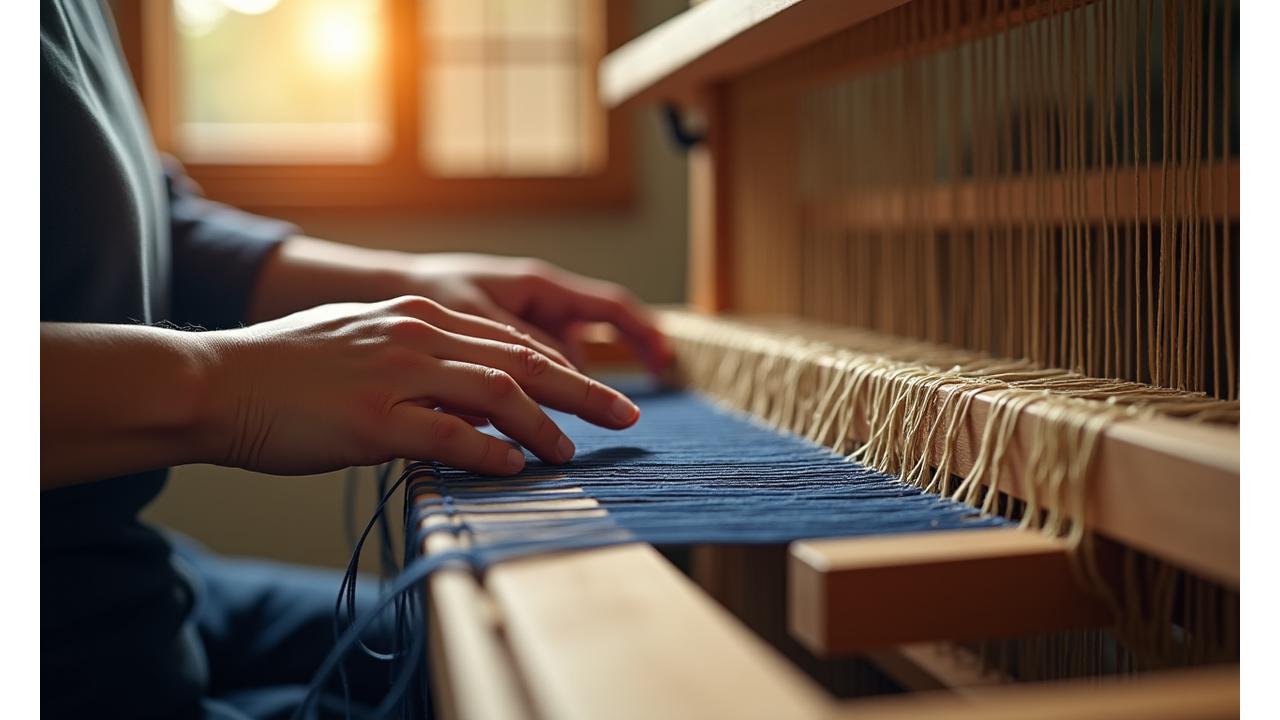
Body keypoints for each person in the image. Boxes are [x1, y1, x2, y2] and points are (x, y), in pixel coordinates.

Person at [40, 1, 671, 718]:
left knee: (555, 650)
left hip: (133, 577)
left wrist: (406, 287)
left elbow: (127, 212)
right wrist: (233, 386)